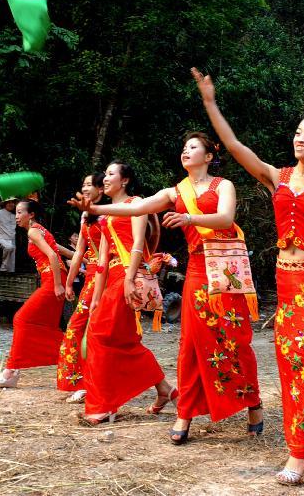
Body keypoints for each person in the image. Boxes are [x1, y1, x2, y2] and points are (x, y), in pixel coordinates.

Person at [194, 68, 304, 485]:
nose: (300, 138)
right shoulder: (277, 176)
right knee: (290, 361)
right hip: (285, 280)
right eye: (298, 132)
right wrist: (210, 103)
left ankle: (300, 452)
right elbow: (236, 146)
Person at [77, 133, 263, 444]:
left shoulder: (223, 186)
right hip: (197, 271)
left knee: (233, 340)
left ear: (208, 156)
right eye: (184, 148)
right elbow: (138, 209)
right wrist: (98, 211)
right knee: (190, 343)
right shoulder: (175, 191)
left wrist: (189, 217)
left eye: (193, 147)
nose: (185, 152)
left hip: (226, 272)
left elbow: (226, 217)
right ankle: (185, 413)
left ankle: (252, 403)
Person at [81, 161, 175, 425]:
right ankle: (164, 389)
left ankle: (103, 405)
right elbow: (101, 259)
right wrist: (96, 296)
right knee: (124, 341)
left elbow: (137, 244)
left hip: (125, 276)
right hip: (111, 277)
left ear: (124, 181)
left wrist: (130, 279)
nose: (105, 178)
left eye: (111, 174)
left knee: (99, 336)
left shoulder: (136, 204)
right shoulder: (105, 215)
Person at [0, 199, 66, 388]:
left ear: (30, 215)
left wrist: (57, 284)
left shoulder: (33, 231)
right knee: (43, 326)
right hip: (55, 278)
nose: (16, 216)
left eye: (19, 212)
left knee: (21, 319)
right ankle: (73, 353)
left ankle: (11, 371)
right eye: (15, 213)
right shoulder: (41, 230)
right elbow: (62, 252)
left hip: (53, 280)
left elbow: (52, 255)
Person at [57, 172, 105, 403]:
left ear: (101, 190)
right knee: (77, 327)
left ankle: (90, 382)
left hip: (105, 276)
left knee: (87, 329)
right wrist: (69, 280)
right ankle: (82, 380)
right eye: (83, 184)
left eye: (89, 185)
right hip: (91, 277)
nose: (84, 188)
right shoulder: (86, 214)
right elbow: (79, 252)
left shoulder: (108, 213)